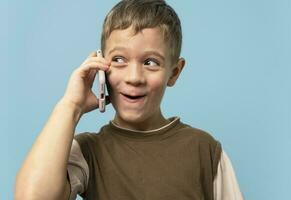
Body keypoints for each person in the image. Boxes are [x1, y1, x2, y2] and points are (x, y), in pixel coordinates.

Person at [15, 0, 244, 199]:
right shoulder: (87, 152)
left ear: (174, 72)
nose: (134, 78)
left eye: (150, 62)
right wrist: (70, 106)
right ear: (101, 67)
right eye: (119, 59)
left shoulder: (205, 150)